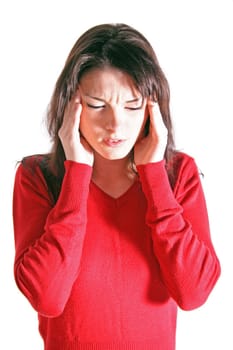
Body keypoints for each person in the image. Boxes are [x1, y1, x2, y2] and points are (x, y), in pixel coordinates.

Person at [12, 23, 221, 350]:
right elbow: (46, 297)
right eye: (97, 105)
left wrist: (153, 175)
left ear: (152, 107)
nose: (115, 124)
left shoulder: (179, 174)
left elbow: (193, 293)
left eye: (132, 105)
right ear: (71, 106)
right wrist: (76, 172)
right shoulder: (37, 176)